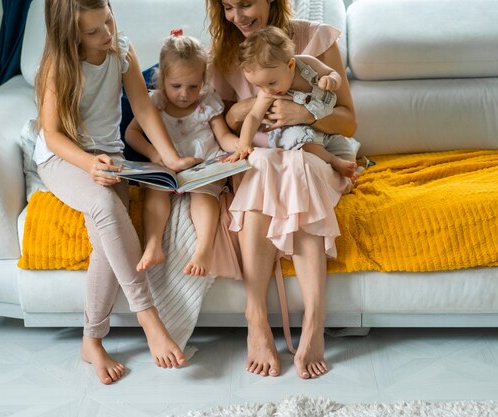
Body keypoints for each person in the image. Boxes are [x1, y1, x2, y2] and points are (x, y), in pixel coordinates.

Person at [32, 0, 201, 385]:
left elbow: (142, 107)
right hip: (66, 158)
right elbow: (52, 135)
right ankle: (148, 317)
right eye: (93, 31)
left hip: (110, 159)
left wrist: (170, 158)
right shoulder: (58, 66)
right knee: (106, 206)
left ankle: (91, 341)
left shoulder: (121, 49)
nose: (106, 35)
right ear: (70, 34)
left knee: (108, 238)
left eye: (108, 21)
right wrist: (88, 164)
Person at [206, 0, 358, 379]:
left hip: (310, 152)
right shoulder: (224, 53)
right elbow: (222, 120)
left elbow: (349, 121)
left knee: (296, 167)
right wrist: (247, 111)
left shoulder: (313, 38)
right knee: (260, 165)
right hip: (260, 157)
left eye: (246, 4)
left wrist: (306, 113)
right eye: (227, 7)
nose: (237, 16)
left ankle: (314, 321)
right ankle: (255, 318)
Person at [125, 30, 239, 277]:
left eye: (193, 86)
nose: (185, 94)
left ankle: (204, 249)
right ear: (162, 77)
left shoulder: (208, 102)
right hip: (167, 166)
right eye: (176, 86)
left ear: (203, 80)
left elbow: (224, 137)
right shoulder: (154, 102)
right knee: (156, 191)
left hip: (203, 165)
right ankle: (153, 244)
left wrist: (241, 146)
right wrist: (155, 155)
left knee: (204, 195)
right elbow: (131, 134)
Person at [227, 26, 358, 179]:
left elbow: (332, 73)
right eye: (259, 86)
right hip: (294, 135)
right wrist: (244, 143)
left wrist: (331, 80)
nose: (266, 90)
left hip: (323, 127)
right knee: (305, 143)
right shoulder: (267, 93)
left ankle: (346, 172)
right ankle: (333, 161)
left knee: (345, 149)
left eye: (271, 83)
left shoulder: (308, 65)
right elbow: (254, 116)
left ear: (291, 65)